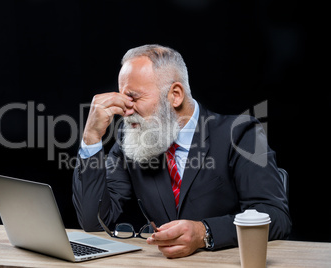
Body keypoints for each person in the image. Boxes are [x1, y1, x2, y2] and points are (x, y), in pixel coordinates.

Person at [72, 44, 291, 258]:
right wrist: (91, 138)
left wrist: (204, 232)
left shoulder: (241, 135)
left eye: (134, 97)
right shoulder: (129, 140)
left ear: (175, 95)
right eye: (122, 97)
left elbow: (275, 217)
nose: (124, 110)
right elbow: (94, 222)